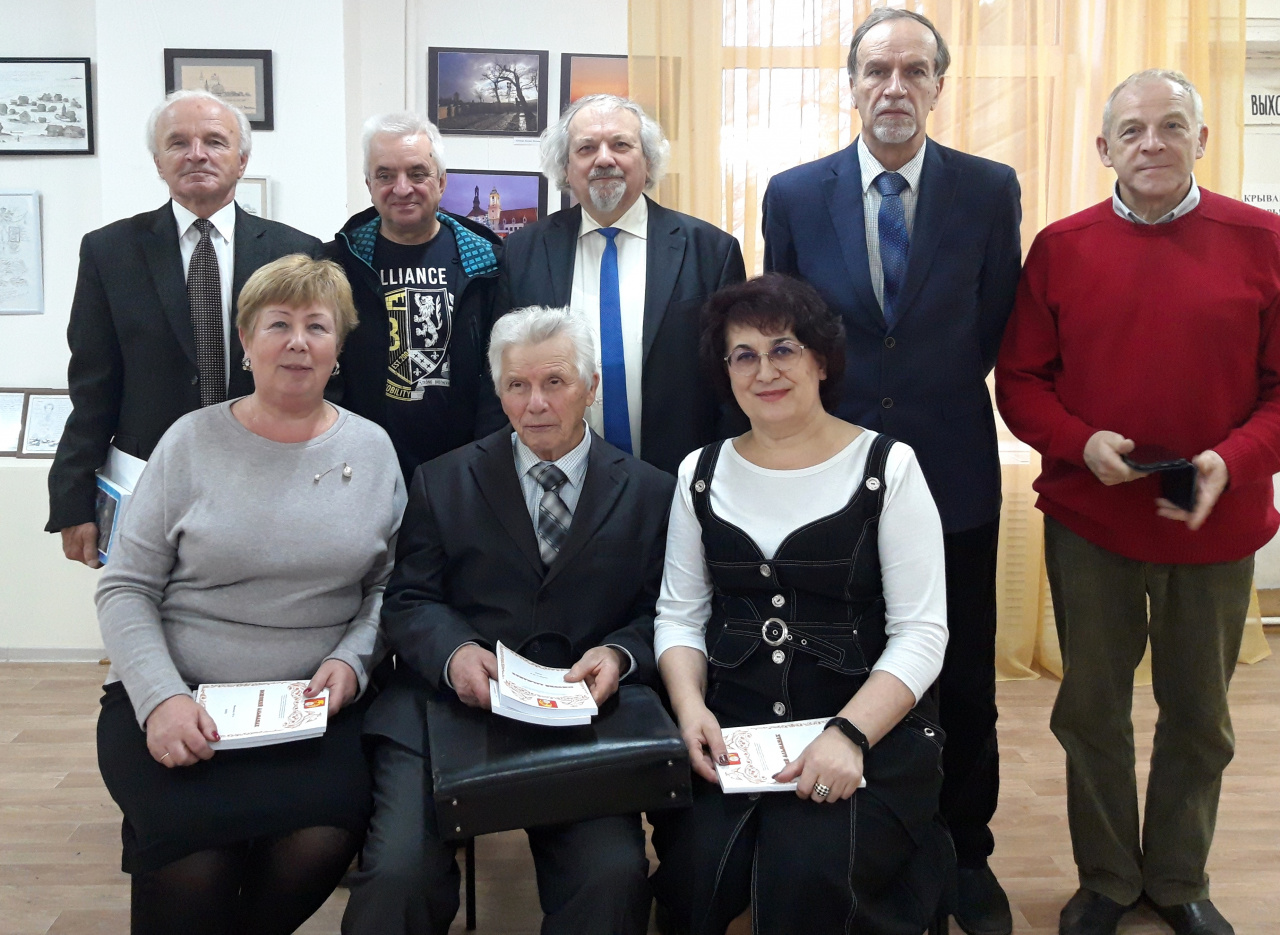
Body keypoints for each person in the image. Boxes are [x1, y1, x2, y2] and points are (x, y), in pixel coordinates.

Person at [996, 70, 1280, 935]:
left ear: (1202, 139)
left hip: (1216, 521)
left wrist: (1232, 461)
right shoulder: (1061, 247)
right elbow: (1020, 379)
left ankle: (1180, 877)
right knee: (1092, 711)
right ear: (1104, 148)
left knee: (1200, 717)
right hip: (1093, 522)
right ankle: (1109, 878)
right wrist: (1079, 441)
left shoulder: (1264, 240)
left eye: (1171, 126)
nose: (1151, 143)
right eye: (1131, 130)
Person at [760, 10, 1022, 930]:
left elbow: (991, 325)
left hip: (953, 471)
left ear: (940, 85)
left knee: (964, 673)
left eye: (915, 70)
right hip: (833, 474)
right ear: (852, 84)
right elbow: (785, 333)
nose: (895, 86)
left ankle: (966, 851)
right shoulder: (795, 194)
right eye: (877, 70)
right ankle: (869, 839)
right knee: (852, 658)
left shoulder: (988, 189)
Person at [94, 255, 406, 935]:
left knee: (322, 837)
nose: (298, 342)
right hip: (182, 696)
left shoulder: (374, 449)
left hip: (311, 709)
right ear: (245, 340)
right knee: (193, 859)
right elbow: (125, 586)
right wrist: (162, 698)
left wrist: (353, 659)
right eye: (278, 324)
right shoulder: (189, 441)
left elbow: (388, 586)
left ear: (339, 346)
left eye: (317, 326)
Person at [341, 304, 676, 935]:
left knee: (611, 879)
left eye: (555, 382)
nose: (535, 403)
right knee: (397, 877)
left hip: (582, 718)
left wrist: (620, 654)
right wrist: (455, 654)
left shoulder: (651, 492)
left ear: (591, 387)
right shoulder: (441, 480)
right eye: (517, 385)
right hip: (451, 706)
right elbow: (409, 598)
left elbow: (661, 611)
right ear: (499, 393)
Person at [650, 274, 951, 935]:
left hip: (865, 728)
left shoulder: (889, 466)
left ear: (820, 360)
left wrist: (848, 734)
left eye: (783, 349)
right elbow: (679, 615)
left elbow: (922, 633)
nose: (765, 371)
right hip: (733, 727)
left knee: (811, 870)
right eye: (744, 355)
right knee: (700, 870)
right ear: (726, 372)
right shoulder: (698, 472)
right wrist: (691, 708)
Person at [48, 89, 321, 565]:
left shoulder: (296, 253)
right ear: (158, 162)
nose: (196, 154)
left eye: (214, 141)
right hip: (149, 480)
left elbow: (320, 378)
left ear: (242, 160)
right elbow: (91, 386)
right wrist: (72, 500)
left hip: (271, 475)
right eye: (178, 143)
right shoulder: (109, 252)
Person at [498, 94, 747, 475]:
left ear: (648, 162)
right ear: (565, 167)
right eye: (586, 148)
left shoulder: (711, 251)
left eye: (620, 145)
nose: (603, 159)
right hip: (558, 478)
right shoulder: (522, 252)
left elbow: (733, 381)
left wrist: (719, 476)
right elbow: (503, 372)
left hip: (680, 476)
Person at [328, 112, 507, 482]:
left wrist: (484, 459)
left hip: (463, 471)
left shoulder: (489, 265)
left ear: (441, 181)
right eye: (385, 175)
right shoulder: (339, 263)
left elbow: (500, 377)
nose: (402, 188)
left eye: (417, 173)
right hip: (358, 467)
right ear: (368, 184)